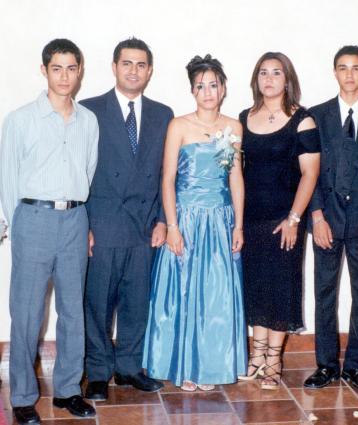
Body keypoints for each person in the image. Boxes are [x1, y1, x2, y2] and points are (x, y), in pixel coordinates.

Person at [0, 38, 98, 424]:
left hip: (75, 219)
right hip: (33, 220)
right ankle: (23, 395)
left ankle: (69, 390)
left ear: (79, 71)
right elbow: (7, 179)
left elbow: (87, 172)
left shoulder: (88, 121)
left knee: (73, 310)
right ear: (44, 71)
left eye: (71, 68)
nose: (64, 76)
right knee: (26, 312)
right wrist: (18, 222)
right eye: (56, 68)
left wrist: (77, 212)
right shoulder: (20, 120)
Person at [143, 55, 247, 391]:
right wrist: (172, 225)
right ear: (192, 90)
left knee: (216, 296)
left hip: (219, 219)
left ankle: (212, 367)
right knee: (185, 291)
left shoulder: (233, 127)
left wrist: (238, 225)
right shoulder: (179, 126)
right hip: (186, 218)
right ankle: (186, 366)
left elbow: (235, 178)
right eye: (200, 86)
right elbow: (168, 178)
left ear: (224, 88)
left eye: (213, 85)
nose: (207, 91)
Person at [81, 38, 173, 401]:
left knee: (138, 302)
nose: (133, 70)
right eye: (126, 64)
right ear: (114, 67)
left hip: (145, 224)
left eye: (141, 65)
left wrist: (164, 220)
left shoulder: (163, 114)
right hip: (101, 223)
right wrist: (83, 224)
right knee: (97, 303)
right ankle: (99, 372)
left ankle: (130, 367)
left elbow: (170, 173)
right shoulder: (89, 110)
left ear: (150, 70)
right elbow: (79, 172)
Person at [303, 45, 358, 392]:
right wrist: (317, 216)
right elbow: (309, 172)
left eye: (356, 68)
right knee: (324, 292)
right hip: (327, 218)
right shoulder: (317, 115)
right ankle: (325, 365)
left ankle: (355, 365)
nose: (350, 74)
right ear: (335, 72)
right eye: (343, 68)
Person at [238, 52, 320, 390]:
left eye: (276, 72)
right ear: (256, 79)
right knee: (256, 290)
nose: (269, 78)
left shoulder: (303, 120)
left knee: (280, 291)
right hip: (251, 219)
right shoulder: (244, 118)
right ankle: (256, 359)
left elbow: (310, 173)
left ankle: (274, 362)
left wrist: (294, 218)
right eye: (263, 72)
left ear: (287, 79)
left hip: (284, 220)